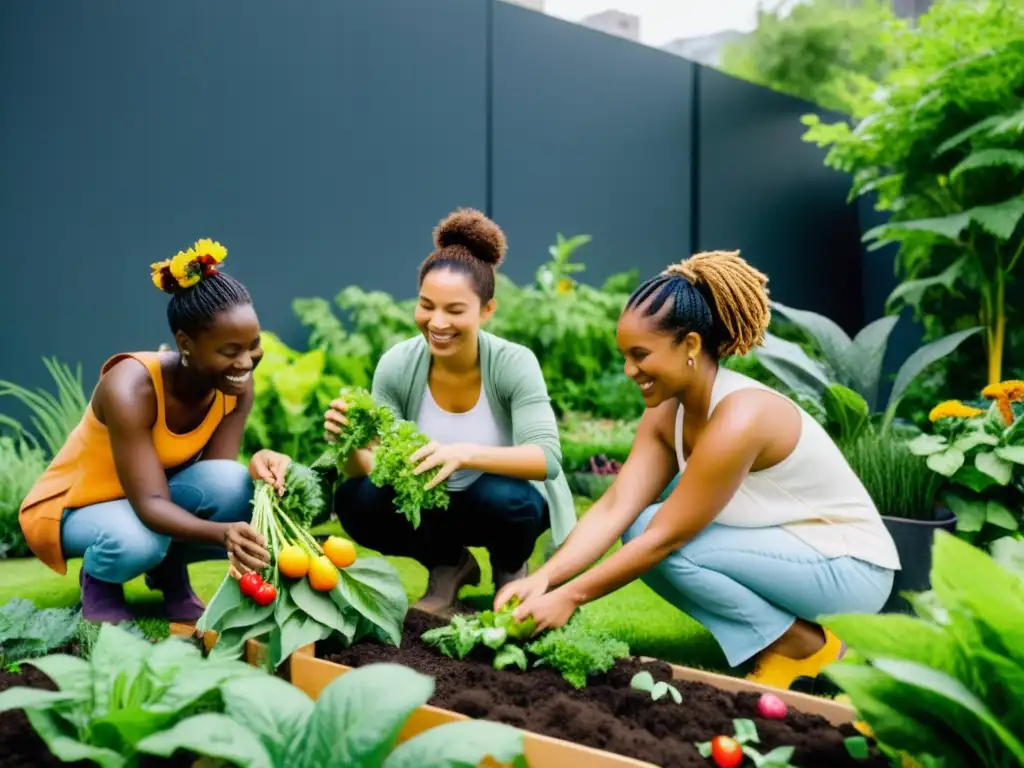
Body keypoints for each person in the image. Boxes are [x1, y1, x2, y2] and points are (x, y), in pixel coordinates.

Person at [495, 250, 900, 691]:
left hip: (849, 570)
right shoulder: (669, 409)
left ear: (689, 345)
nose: (630, 370)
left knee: (665, 541)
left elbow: (669, 538)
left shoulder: (741, 419)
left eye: (640, 354)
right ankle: (791, 640)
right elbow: (616, 505)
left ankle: (805, 647)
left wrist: (569, 597)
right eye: (624, 356)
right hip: (793, 554)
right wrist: (545, 578)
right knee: (641, 525)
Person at [19, 239, 288, 623]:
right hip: (74, 507)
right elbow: (149, 504)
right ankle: (99, 582)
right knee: (136, 539)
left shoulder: (235, 386)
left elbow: (212, 482)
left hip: (149, 500)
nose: (246, 362)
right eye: (229, 351)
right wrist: (221, 534)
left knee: (236, 485)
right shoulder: (130, 387)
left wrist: (261, 469)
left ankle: (168, 572)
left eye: (254, 345)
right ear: (185, 343)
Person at [325, 208, 575, 618]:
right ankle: (447, 565)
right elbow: (376, 468)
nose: (437, 322)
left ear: (486, 311)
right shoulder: (398, 364)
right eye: (426, 305)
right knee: (357, 500)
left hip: (502, 501)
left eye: (455, 310)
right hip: (433, 501)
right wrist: (348, 443)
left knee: (509, 500)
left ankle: (511, 568)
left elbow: (546, 459)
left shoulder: (514, 363)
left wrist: (461, 452)